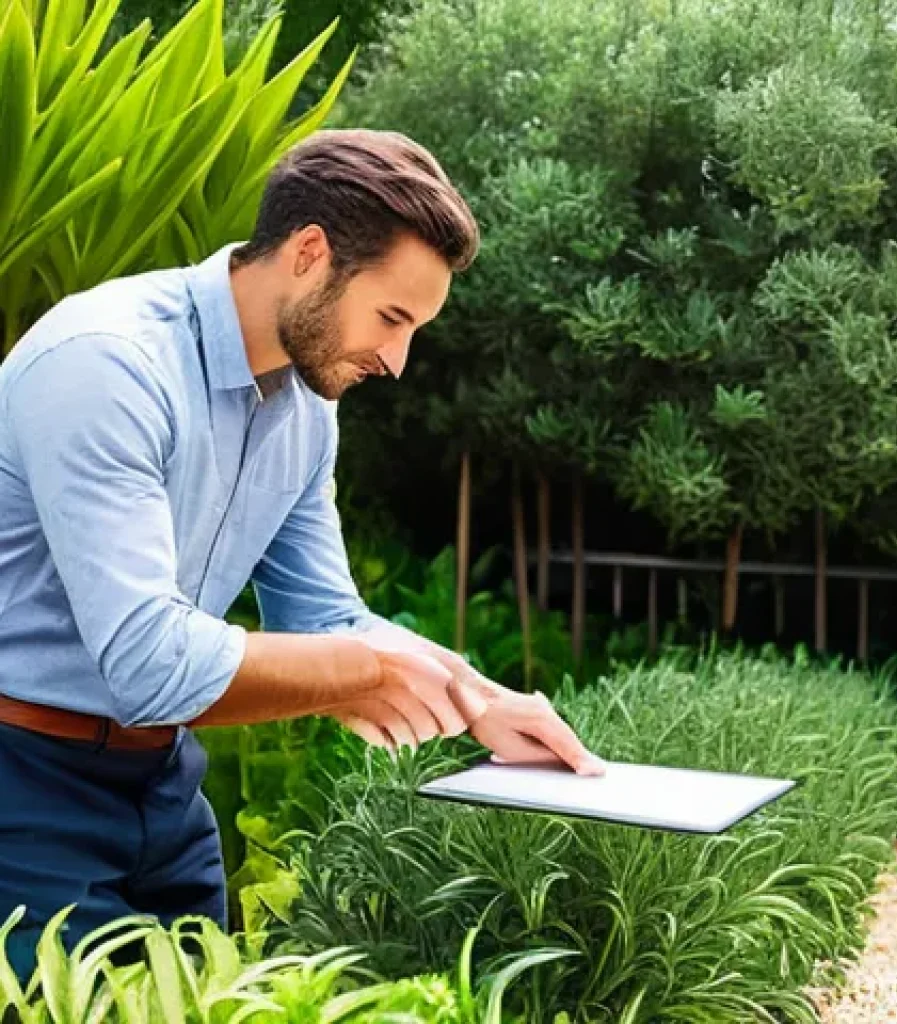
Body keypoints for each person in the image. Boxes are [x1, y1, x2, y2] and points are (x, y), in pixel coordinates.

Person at [0, 129, 604, 978]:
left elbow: (326, 619)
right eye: (391, 318)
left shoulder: (304, 408)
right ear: (310, 253)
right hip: (22, 791)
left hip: (166, 789)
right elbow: (148, 663)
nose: (396, 361)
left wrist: (479, 700)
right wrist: (365, 673)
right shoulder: (108, 365)